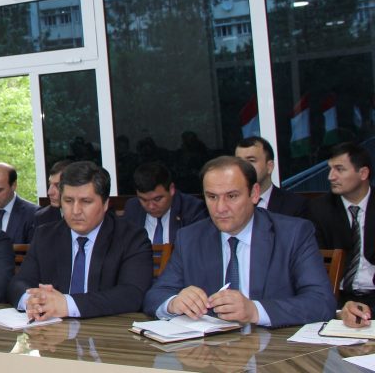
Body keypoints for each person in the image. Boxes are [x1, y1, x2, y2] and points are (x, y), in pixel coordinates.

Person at [143, 156, 336, 327]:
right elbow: (155, 295)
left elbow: (321, 302)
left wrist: (255, 310)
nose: (220, 208)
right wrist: (174, 302)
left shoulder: (293, 234)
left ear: (254, 193)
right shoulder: (190, 237)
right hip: (209, 351)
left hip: (274, 349)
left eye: (232, 196)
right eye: (212, 197)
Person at [8, 162, 153, 320]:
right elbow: (19, 283)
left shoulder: (131, 238)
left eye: (86, 201)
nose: (75, 211)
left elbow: (132, 294)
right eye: (68, 201)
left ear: (105, 204)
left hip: (106, 330)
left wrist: (67, 305)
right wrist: (32, 301)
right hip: (52, 330)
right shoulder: (45, 235)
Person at [308, 142, 375, 308]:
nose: (331, 177)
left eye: (339, 169)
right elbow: (315, 264)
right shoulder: (319, 209)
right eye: (330, 169)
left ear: (363, 173)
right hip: (338, 298)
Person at [121, 162, 207, 245]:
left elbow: (196, 247)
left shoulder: (193, 209)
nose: (151, 206)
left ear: (171, 189)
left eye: (157, 199)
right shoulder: (132, 208)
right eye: (144, 200)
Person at [234, 136, 308, 218]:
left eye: (251, 160)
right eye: (239, 161)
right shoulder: (227, 204)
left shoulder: (295, 205)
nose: (243, 167)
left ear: (269, 167)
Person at [32, 160, 70, 229]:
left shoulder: (89, 215)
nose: (49, 192)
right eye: (50, 184)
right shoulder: (42, 217)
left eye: (57, 185)